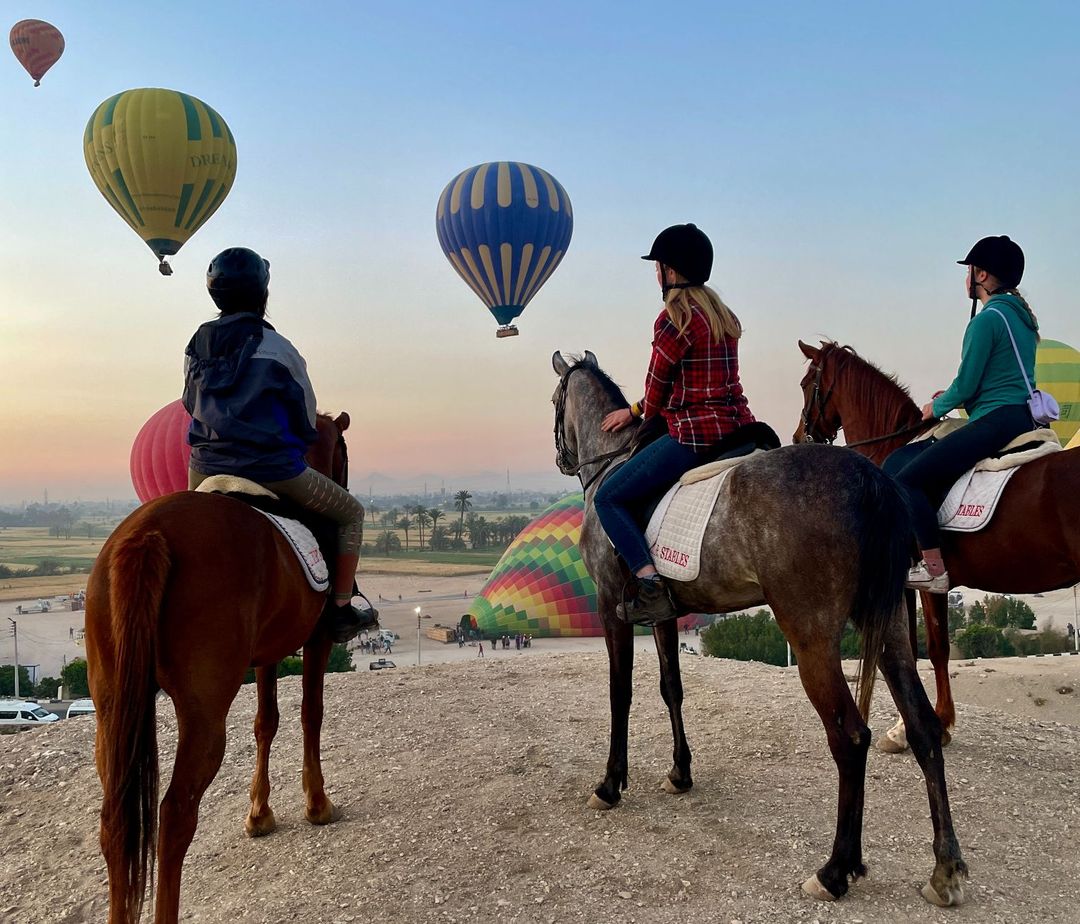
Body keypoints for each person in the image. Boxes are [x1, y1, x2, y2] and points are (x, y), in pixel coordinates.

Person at [183, 247, 377, 642]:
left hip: (204, 468)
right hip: (271, 470)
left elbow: (190, 403)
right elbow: (305, 419)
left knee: (186, 525)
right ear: (263, 293)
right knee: (351, 514)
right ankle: (341, 609)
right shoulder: (279, 348)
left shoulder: (195, 345)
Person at [594, 223, 756, 624]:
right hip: (739, 427)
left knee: (608, 498)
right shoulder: (724, 316)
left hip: (694, 435)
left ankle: (650, 584)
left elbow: (655, 395)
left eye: (658, 267)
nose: (657, 274)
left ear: (670, 271)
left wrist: (634, 412)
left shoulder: (674, 319)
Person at [887, 236, 1039, 593]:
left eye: (969, 270)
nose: (966, 278)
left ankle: (934, 569)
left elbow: (967, 385)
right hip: (1021, 417)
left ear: (981, 275)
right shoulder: (1023, 321)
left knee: (906, 481)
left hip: (995, 421)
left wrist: (935, 407)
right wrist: (954, 396)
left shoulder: (986, 320)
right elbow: (997, 379)